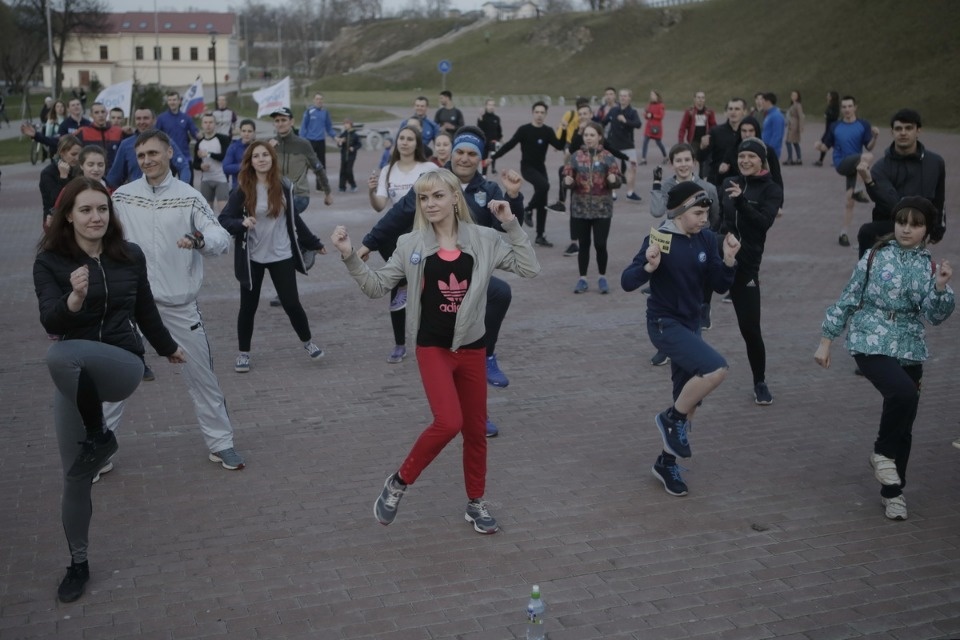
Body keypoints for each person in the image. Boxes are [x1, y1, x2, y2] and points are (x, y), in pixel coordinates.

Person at [331, 168, 540, 533]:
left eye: (438, 196)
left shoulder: (484, 239)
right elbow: (377, 287)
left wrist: (510, 224)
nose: (430, 204)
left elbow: (529, 267)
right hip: (433, 349)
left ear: (454, 198)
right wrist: (351, 256)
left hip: (473, 348)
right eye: (424, 198)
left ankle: (476, 503)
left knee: (475, 432)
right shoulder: (410, 245)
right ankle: (398, 482)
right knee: (449, 422)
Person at [33, 178, 185, 603]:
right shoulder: (49, 262)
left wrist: (167, 348)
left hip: (121, 364)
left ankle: (100, 433)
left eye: (102, 208)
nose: (96, 217)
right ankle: (78, 563)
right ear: (68, 216)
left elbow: (145, 309)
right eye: (85, 210)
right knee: (75, 478)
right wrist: (74, 300)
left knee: (58, 358)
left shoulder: (128, 255)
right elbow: (51, 322)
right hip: (75, 375)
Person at [359, 126, 526, 437]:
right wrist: (367, 244)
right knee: (453, 350)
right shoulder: (433, 182)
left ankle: (486, 365)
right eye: (459, 152)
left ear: (480, 158)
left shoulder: (488, 190)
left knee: (498, 297)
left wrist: (513, 197)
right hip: (437, 274)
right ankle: (458, 407)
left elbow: (505, 226)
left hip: (470, 279)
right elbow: (398, 215)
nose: (464, 158)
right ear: (451, 153)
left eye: (471, 154)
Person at [110, 130, 245, 471]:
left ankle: (221, 443)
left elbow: (218, 236)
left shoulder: (189, 196)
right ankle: (101, 451)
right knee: (113, 380)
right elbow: (101, 234)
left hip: (178, 304)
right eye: (141, 156)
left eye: (153, 153)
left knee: (202, 378)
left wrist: (199, 239)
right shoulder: (123, 197)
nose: (147, 161)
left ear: (170, 153)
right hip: (130, 305)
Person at [815, 197, 953, 521]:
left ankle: (893, 493)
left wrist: (942, 289)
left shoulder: (928, 265)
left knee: (904, 423)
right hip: (870, 338)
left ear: (927, 230)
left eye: (915, 224)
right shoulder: (875, 256)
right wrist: (826, 342)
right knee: (902, 393)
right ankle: (881, 454)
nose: (906, 229)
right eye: (902, 221)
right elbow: (848, 297)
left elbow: (933, 316)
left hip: (910, 345)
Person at [621, 181, 740, 496]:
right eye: (699, 212)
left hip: (691, 324)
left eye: (707, 212)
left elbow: (718, 282)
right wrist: (649, 265)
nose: (705, 219)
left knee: (689, 399)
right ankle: (669, 418)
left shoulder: (704, 239)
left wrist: (728, 259)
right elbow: (627, 281)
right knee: (716, 368)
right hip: (664, 323)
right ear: (679, 212)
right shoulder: (660, 238)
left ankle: (666, 462)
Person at [218, 141, 327, 372]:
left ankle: (308, 343)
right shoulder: (242, 189)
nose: (261, 159)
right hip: (253, 258)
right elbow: (224, 220)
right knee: (248, 307)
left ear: (272, 158)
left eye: (265, 155)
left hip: (281, 254)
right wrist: (242, 222)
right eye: (256, 156)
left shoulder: (283, 186)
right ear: (250, 161)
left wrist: (314, 243)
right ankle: (243, 353)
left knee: (291, 303)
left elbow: (295, 220)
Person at [720, 138, 783, 405]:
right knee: (689, 307)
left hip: (746, 266)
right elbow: (720, 219)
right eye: (742, 155)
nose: (745, 160)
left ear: (761, 160)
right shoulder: (728, 183)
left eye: (751, 156)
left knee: (750, 328)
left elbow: (762, 224)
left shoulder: (772, 189)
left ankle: (760, 381)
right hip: (721, 256)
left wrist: (743, 201)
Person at [367, 124, 435, 363]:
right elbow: (380, 206)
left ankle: (433, 340)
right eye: (401, 138)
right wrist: (371, 192)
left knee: (430, 290)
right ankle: (399, 344)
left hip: (426, 232)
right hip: (398, 238)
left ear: (418, 144)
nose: (405, 142)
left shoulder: (428, 168)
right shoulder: (388, 170)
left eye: (410, 139)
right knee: (397, 282)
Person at [649, 143, 721, 364]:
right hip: (671, 243)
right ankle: (667, 345)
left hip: (697, 242)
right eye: (678, 160)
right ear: (672, 164)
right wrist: (656, 184)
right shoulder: (667, 185)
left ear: (694, 162)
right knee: (669, 291)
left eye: (687, 160)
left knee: (691, 293)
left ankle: (692, 337)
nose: (683, 164)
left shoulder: (707, 187)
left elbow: (715, 216)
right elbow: (657, 211)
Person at [857, 109, 946, 258]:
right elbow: (895, 206)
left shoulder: (935, 162)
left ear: (918, 131)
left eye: (908, 128)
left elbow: (939, 197)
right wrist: (870, 182)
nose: (903, 133)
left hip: (921, 225)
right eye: (898, 129)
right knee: (867, 232)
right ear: (892, 132)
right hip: (892, 225)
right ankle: (866, 277)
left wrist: (939, 227)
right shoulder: (880, 167)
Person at [490, 101, 565, 247]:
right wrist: (493, 157)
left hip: (540, 168)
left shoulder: (548, 131)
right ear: (532, 113)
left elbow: (559, 146)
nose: (539, 115)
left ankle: (540, 235)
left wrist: (564, 130)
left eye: (542, 113)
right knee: (544, 186)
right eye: (537, 112)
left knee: (542, 200)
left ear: (545, 115)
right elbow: (509, 145)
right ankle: (529, 209)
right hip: (527, 168)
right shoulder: (524, 130)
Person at [562, 121, 622, 294]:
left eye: (592, 135)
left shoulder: (608, 156)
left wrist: (614, 181)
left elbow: (617, 179)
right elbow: (567, 177)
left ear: (600, 137)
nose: (588, 138)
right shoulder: (575, 156)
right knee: (584, 244)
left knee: (600, 244)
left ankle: (602, 277)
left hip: (602, 209)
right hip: (580, 209)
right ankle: (583, 279)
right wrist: (567, 182)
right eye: (586, 135)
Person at [815, 95, 880, 247]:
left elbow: (869, 145)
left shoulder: (863, 125)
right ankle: (858, 189)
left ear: (855, 107)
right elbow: (826, 147)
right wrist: (818, 146)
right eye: (844, 107)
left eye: (849, 106)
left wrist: (875, 137)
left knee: (849, 201)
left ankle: (843, 233)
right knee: (867, 157)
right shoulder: (835, 126)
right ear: (841, 109)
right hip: (841, 163)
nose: (847, 109)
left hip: (856, 166)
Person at [269, 106, 333, 215]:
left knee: (284, 215)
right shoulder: (269, 145)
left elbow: (318, 169)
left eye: (284, 120)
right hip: (277, 194)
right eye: (277, 121)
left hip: (298, 195)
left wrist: (327, 192)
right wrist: (268, 151)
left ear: (292, 122)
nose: (280, 124)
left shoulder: (303, 144)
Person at [106, 107, 192, 188]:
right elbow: (114, 177)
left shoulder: (165, 141)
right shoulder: (126, 145)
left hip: (162, 195)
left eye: (146, 118)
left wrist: (181, 189)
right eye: (138, 119)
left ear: (154, 120)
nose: (142, 122)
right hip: (137, 197)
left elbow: (183, 167)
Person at [601, 89, 643, 201]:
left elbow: (638, 124)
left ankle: (630, 192)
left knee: (632, 168)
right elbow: (602, 123)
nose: (622, 98)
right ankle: (613, 192)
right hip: (613, 145)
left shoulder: (632, 112)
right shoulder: (613, 110)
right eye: (621, 96)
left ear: (629, 98)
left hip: (628, 145)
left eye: (625, 96)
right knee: (613, 169)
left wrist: (625, 121)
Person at [40, 135, 83, 230]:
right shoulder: (48, 173)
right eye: (73, 154)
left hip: (77, 218)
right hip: (55, 220)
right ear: (62, 153)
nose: (77, 158)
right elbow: (55, 200)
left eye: (80, 154)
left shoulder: (79, 169)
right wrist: (63, 177)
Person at [705, 97, 747, 189]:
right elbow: (704, 157)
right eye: (730, 109)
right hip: (717, 181)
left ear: (744, 111)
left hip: (742, 182)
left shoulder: (749, 133)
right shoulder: (715, 131)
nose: (733, 112)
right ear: (726, 112)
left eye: (737, 109)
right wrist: (702, 147)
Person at [193, 113, 232, 211]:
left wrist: (208, 154)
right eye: (205, 122)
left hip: (221, 178)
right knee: (207, 213)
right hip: (206, 180)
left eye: (211, 122)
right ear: (202, 125)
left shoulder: (223, 139)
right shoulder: (199, 143)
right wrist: (201, 166)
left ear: (215, 124)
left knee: (224, 211)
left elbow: (225, 157)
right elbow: (195, 163)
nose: (208, 125)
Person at [678, 91, 717, 179]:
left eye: (702, 98)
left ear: (705, 100)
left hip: (706, 141)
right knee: (690, 160)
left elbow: (714, 126)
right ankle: (687, 178)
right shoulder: (689, 112)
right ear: (694, 99)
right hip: (694, 141)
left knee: (706, 161)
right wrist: (681, 142)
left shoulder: (709, 112)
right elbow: (682, 127)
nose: (700, 100)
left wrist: (713, 138)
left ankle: (702, 178)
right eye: (698, 98)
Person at [155, 91, 200, 160]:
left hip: (185, 157)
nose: (172, 102)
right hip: (168, 158)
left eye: (174, 100)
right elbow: (155, 136)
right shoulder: (161, 118)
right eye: (170, 100)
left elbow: (196, 134)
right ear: (167, 102)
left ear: (179, 101)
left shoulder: (186, 117)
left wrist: (201, 134)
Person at [300, 93, 338, 172]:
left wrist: (335, 137)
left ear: (323, 101)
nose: (319, 101)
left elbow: (329, 127)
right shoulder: (309, 111)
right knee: (306, 163)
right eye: (317, 99)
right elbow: (303, 127)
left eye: (321, 99)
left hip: (321, 141)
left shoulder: (325, 112)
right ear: (314, 100)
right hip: (310, 141)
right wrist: (301, 140)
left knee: (321, 165)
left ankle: (321, 184)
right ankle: (302, 182)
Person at [223, 118, 258, 187]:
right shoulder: (233, 147)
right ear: (240, 131)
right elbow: (226, 168)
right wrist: (243, 166)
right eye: (244, 131)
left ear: (254, 132)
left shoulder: (259, 146)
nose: (246, 134)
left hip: (256, 186)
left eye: (249, 131)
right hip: (239, 187)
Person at [814, 91, 840, 167]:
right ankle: (821, 160)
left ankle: (822, 160)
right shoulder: (830, 106)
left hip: (831, 129)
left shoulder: (834, 107)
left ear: (832, 97)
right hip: (828, 128)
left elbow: (834, 117)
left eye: (828, 96)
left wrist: (827, 116)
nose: (827, 97)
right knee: (827, 144)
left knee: (827, 144)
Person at [335, 118, 362, 192]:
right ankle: (342, 187)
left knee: (349, 170)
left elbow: (359, 144)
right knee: (342, 171)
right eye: (344, 124)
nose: (345, 125)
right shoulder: (343, 134)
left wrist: (354, 148)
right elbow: (339, 144)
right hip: (343, 155)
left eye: (347, 124)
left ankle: (353, 185)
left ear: (351, 125)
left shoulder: (355, 135)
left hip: (351, 156)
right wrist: (340, 142)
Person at [477, 98, 502, 176]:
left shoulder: (496, 118)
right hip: (484, 142)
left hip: (493, 141)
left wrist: (500, 138)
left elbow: (499, 130)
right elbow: (479, 129)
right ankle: (484, 175)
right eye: (489, 105)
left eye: (493, 105)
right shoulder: (482, 117)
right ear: (486, 106)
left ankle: (493, 168)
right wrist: (480, 118)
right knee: (483, 159)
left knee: (494, 149)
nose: (491, 107)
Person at [641, 90, 667, 165]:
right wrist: (646, 114)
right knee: (645, 142)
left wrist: (652, 115)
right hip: (649, 127)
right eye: (651, 95)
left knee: (659, 143)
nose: (651, 96)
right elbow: (646, 116)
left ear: (657, 96)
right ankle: (643, 159)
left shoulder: (661, 105)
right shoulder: (649, 105)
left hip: (656, 128)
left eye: (653, 95)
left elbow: (661, 116)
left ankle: (665, 157)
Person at [760, 93, 785, 159]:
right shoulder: (769, 114)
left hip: (771, 151)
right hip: (765, 148)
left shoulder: (776, 116)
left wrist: (769, 150)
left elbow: (777, 135)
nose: (761, 104)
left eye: (763, 102)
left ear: (768, 102)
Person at [784, 90, 805, 165]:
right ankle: (799, 159)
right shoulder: (793, 104)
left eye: (795, 95)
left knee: (788, 142)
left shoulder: (798, 105)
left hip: (794, 126)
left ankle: (790, 158)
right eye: (792, 95)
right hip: (791, 124)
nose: (793, 97)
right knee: (795, 142)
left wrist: (801, 127)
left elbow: (801, 116)